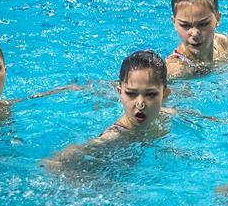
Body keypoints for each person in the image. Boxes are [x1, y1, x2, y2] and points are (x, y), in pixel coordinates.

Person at [45, 50, 173, 174]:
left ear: (164, 95)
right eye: (131, 94)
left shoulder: (164, 115)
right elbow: (55, 163)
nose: (140, 104)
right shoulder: (115, 136)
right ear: (120, 92)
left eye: (150, 94)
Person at [166, 0, 228, 78]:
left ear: (217, 19)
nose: (195, 34)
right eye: (185, 25)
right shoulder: (176, 70)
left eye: (203, 24)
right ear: (174, 23)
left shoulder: (223, 43)